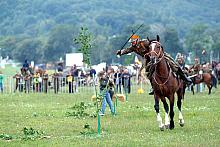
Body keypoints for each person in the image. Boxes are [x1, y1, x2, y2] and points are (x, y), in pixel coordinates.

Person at [116, 35, 192, 95]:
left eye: (133, 42)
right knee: (148, 72)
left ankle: (185, 78)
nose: (132, 43)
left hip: (158, 55)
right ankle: (153, 87)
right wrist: (120, 52)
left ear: (137, 40)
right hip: (148, 59)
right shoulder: (133, 47)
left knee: (173, 64)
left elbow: (154, 44)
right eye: (131, 42)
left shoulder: (144, 42)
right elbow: (127, 50)